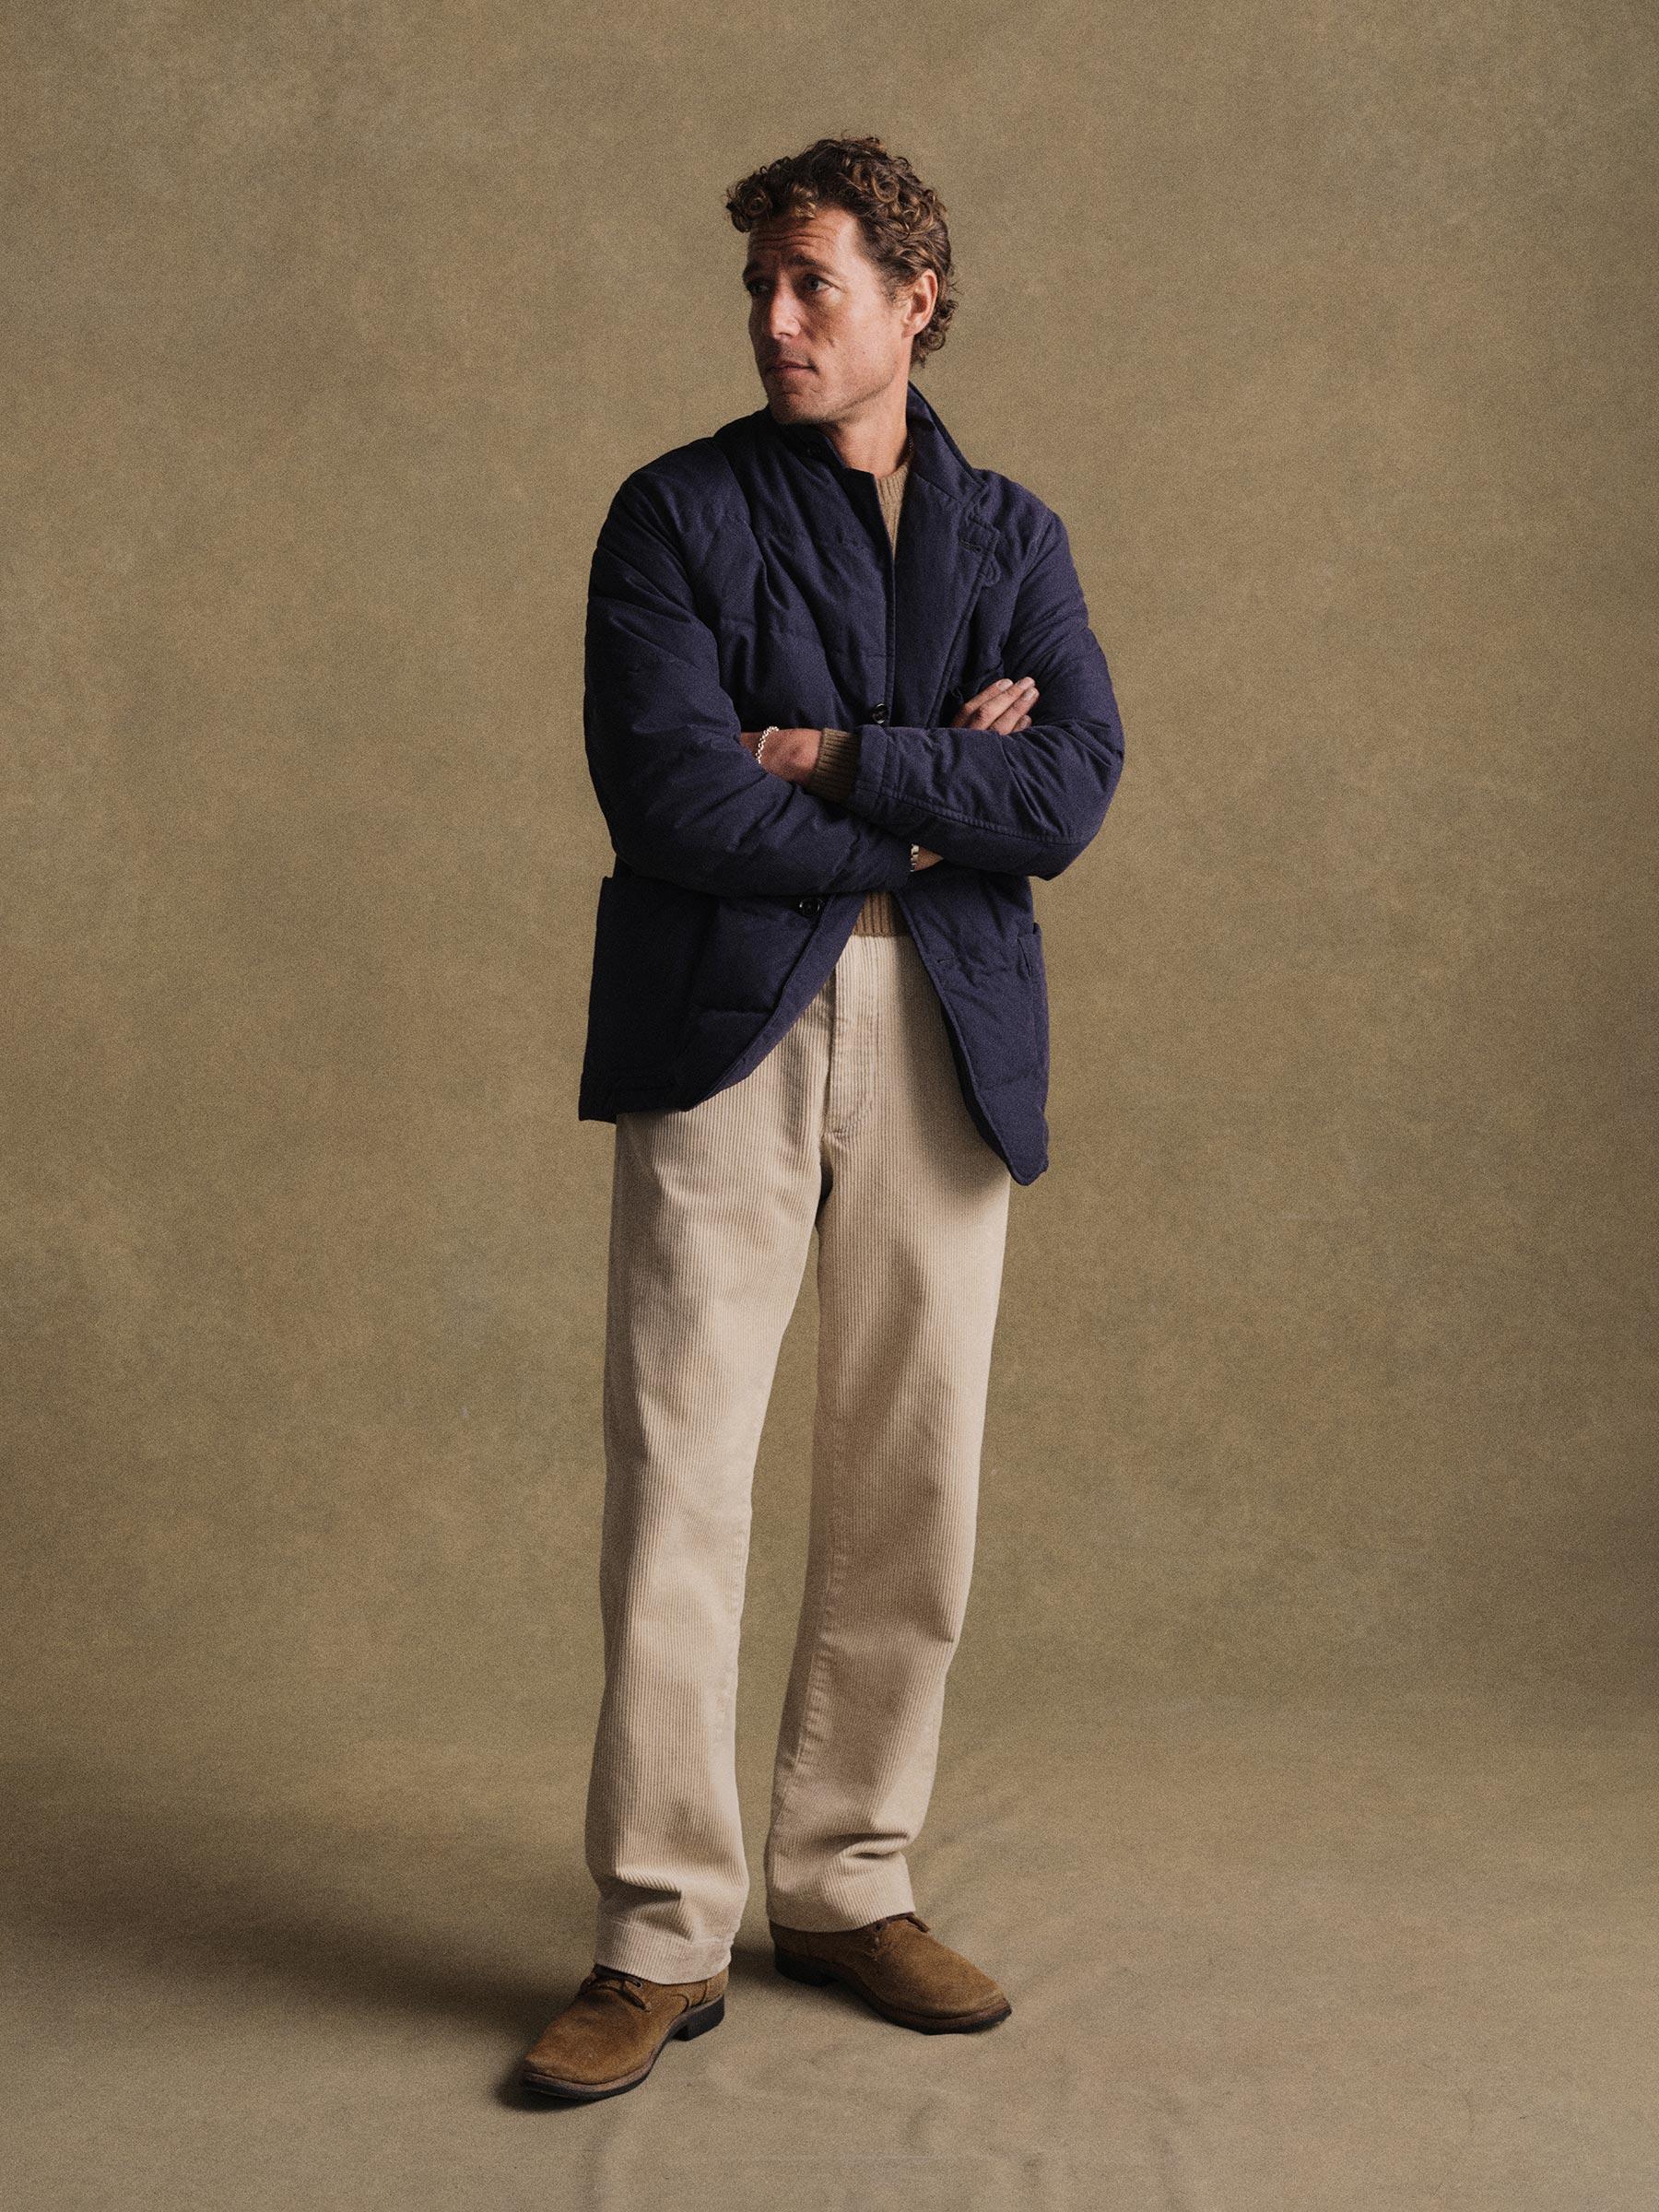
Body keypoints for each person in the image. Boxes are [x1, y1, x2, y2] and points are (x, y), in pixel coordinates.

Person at [521, 134, 1125, 2102]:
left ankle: (850, 1882)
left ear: (913, 300)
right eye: (762, 290)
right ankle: (657, 1932)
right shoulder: (673, 514)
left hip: (949, 1030)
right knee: (681, 1474)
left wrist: (843, 754)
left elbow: (1073, 790)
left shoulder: (1015, 535)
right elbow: (676, 797)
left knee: (912, 1479)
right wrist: (941, 788)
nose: (777, 320)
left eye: (815, 285)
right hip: (725, 1025)